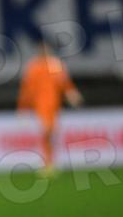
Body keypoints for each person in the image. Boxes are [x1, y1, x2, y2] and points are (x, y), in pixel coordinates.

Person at [17, 39, 82, 177]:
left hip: (54, 105)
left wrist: (72, 94)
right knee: (47, 132)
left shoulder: (55, 64)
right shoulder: (34, 66)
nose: (44, 51)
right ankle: (48, 163)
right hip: (40, 105)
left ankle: (49, 162)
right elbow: (27, 88)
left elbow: (64, 82)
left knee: (50, 133)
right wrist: (23, 107)